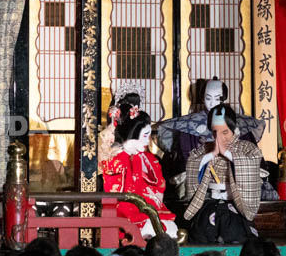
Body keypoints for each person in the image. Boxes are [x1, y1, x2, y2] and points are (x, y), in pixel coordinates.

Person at [184, 103, 262, 244]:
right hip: (210, 203)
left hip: (236, 205)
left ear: (234, 129)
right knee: (201, 235)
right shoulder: (204, 149)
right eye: (215, 132)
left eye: (224, 132)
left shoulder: (247, 148)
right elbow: (192, 164)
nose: (219, 138)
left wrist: (227, 154)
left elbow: (251, 162)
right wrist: (210, 155)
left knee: (236, 234)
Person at [101, 98, 178, 239]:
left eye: (148, 136)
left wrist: (150, 196)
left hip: (149, 207)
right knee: (150, 227)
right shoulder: (115, 159)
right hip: (126, 209)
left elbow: (159, 186)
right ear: (131, 134)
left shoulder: (149, 159)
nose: (146, 142)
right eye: (144, 136)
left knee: (170, 227)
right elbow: (115, 190)